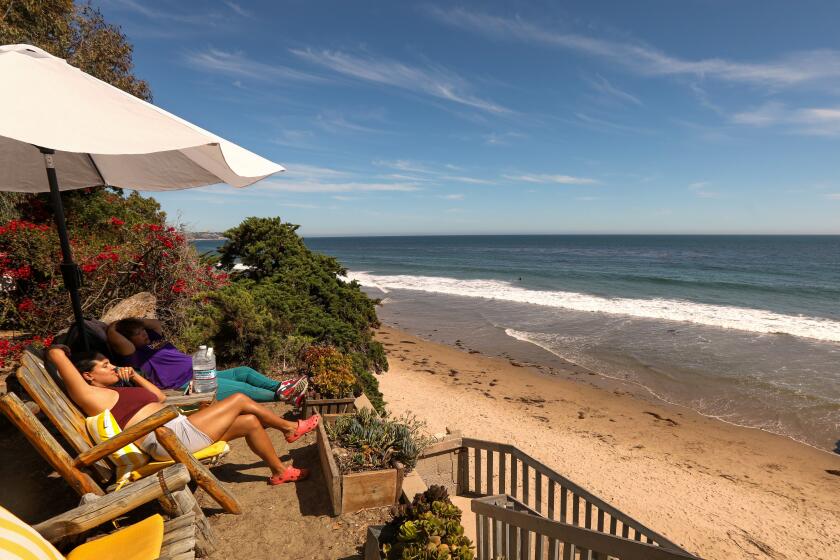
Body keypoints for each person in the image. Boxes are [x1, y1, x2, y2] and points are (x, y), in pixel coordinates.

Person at [46, 345, 318, 484]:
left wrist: (134, 379)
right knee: (238, 399)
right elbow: (57, 356)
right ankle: (289, 428)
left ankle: (280, 471)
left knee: (248, 422)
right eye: (105, 366)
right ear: (87, 376)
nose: (113, 367)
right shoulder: (93, 397)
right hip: (166, 439)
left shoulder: (117, 387)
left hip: (176, 428)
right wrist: (59, 350)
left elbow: (161, 397)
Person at [106, 317, 305, 404]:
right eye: (138, 334)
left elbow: (155, 324)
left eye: (142, 332)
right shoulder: (135, 354)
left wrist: (134, 322)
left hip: (199, 372)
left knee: (242, 371)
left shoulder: (153, 338)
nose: (144, 335)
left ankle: (280, 387)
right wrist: (118, 324)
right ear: (129, 340)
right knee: (242, 389)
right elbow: (113, 333)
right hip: (187, 384)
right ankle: (283, 396)